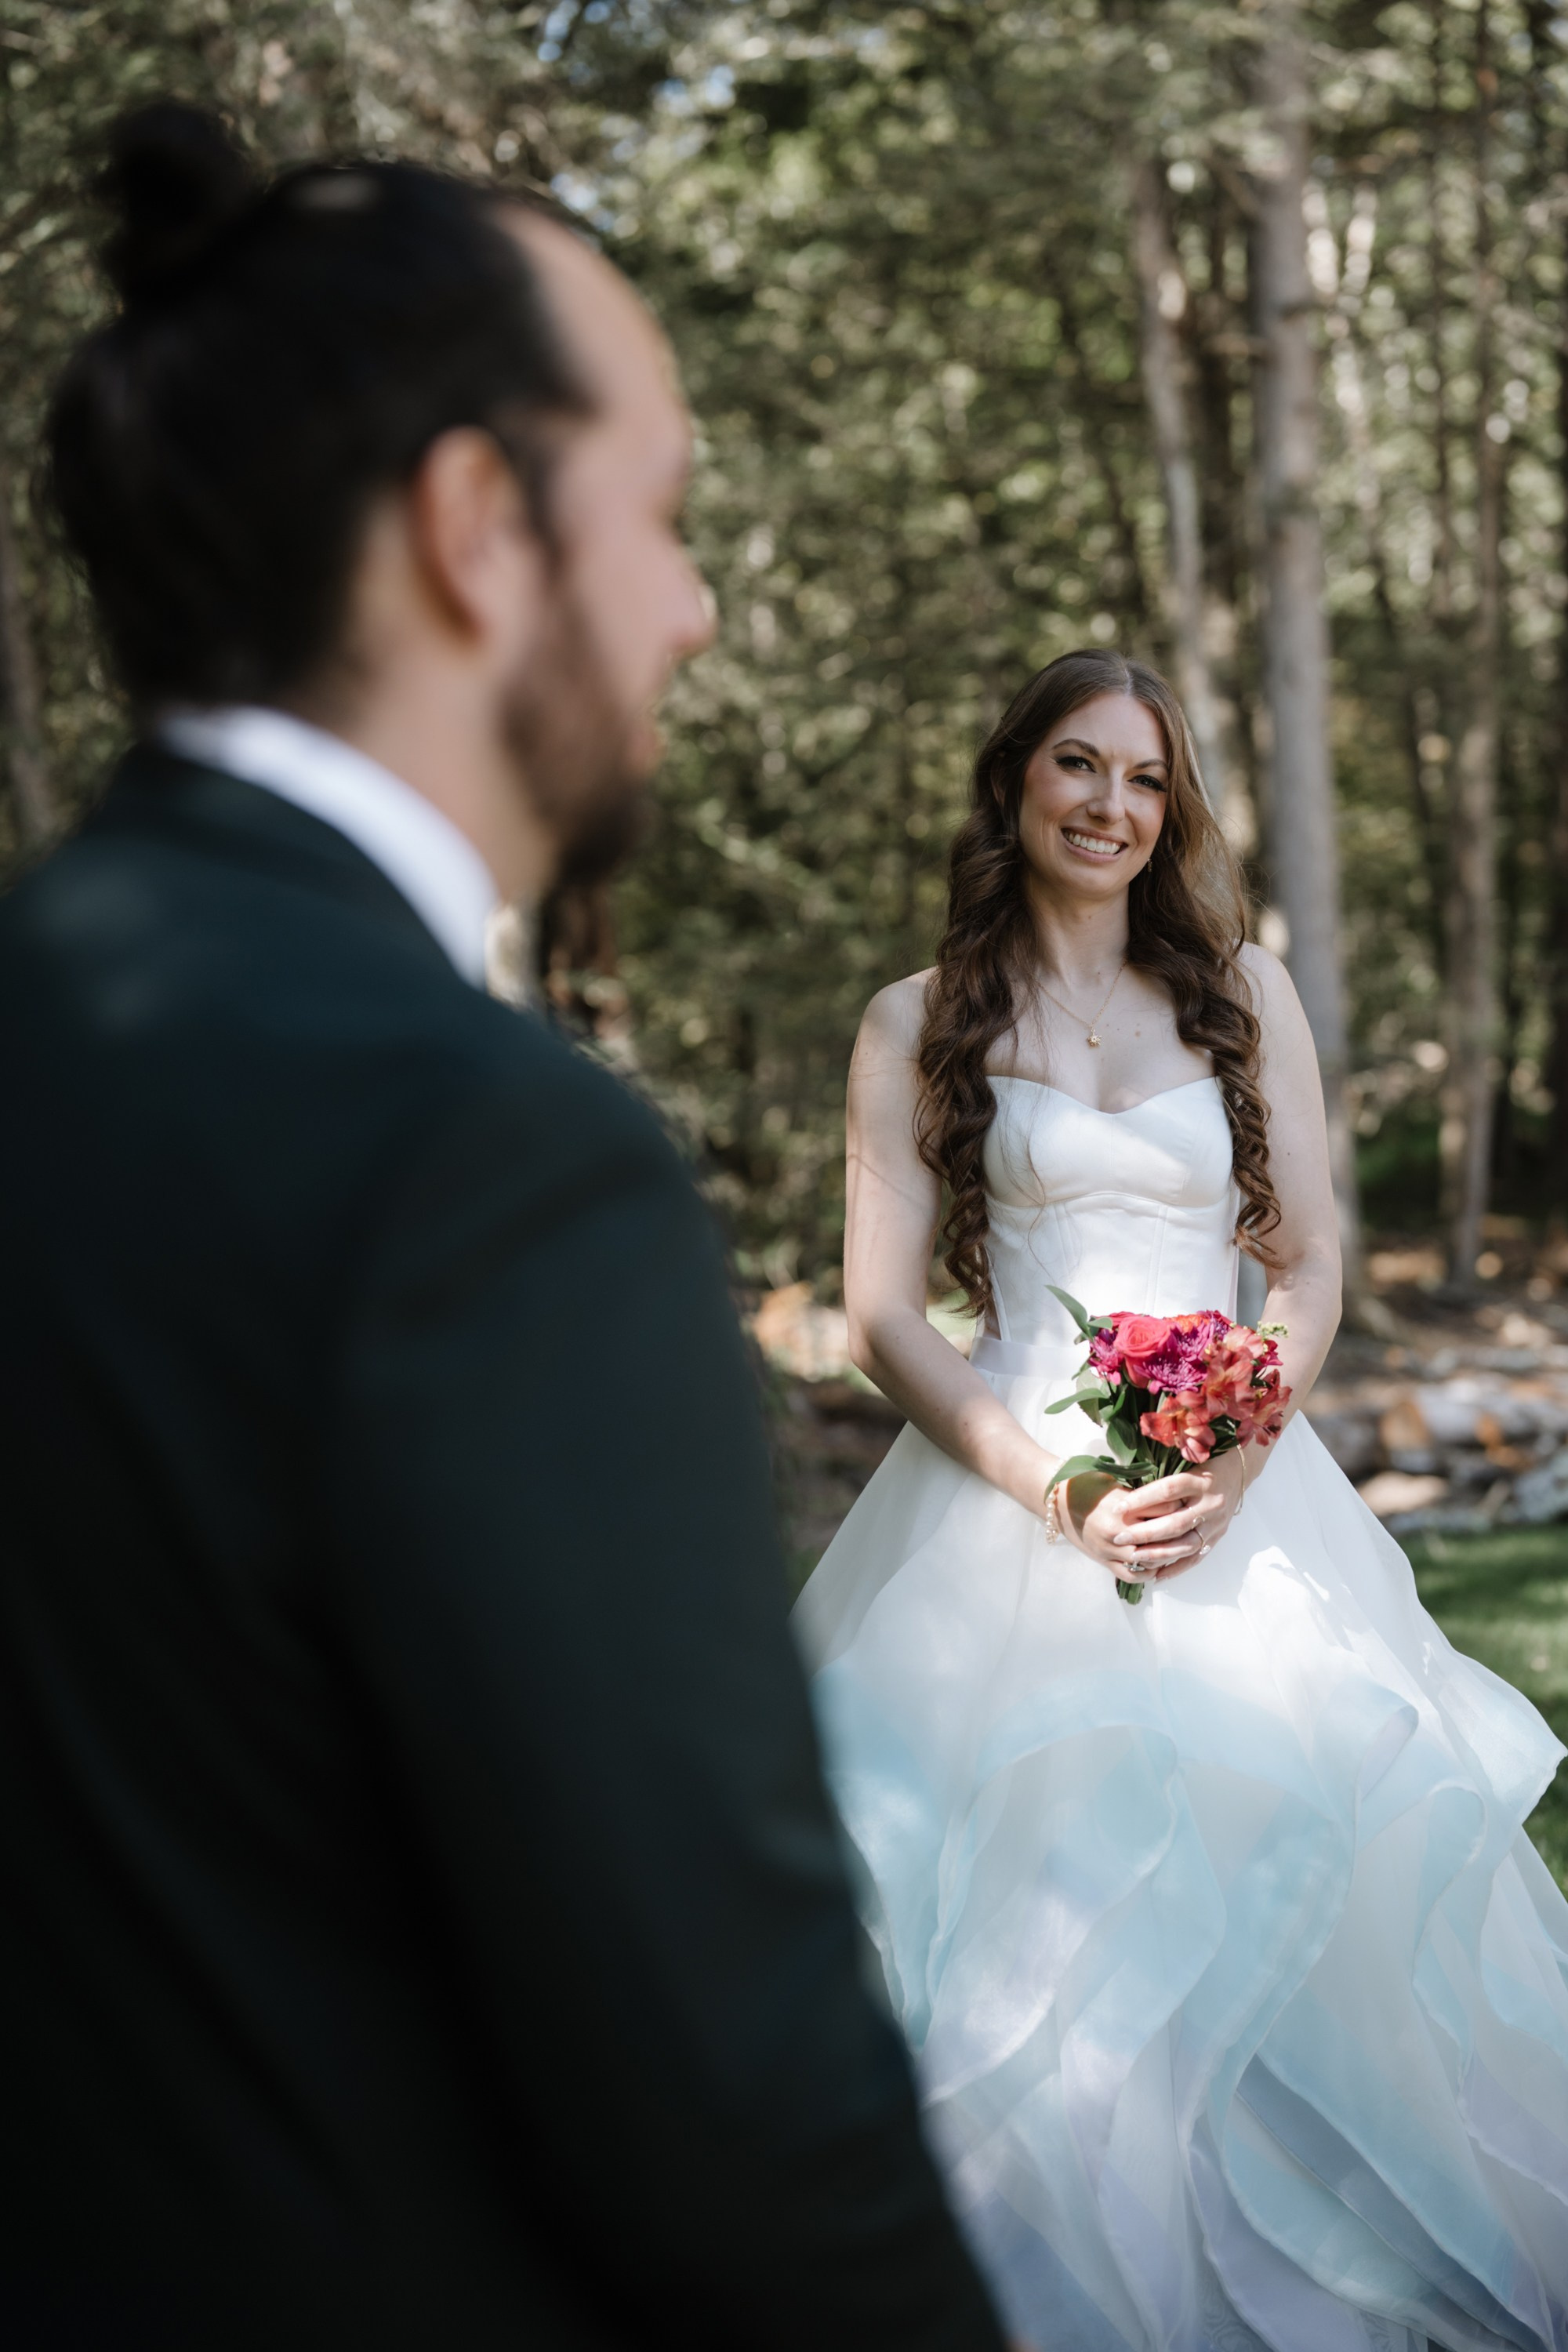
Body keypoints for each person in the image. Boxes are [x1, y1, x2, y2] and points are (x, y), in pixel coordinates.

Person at [0, 103, 1007, 2352]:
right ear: (476, 526)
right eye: (655, 512)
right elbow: (732, 2097)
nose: (697, 607)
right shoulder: (492, 1165)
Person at [794, 648, 1568, 2352]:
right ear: (1014, 783)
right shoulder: (913, 1019)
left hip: (1236, 1487)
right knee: (1015, 1916)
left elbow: (1305, 1272)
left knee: (1298, 1871)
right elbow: (877, 1317)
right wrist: (1054, 1488)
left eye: (1144, 781)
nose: (1111, 809)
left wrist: (1234, 1440)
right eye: (1077, 768)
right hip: (1004, 1502)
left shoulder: (1244, 993)